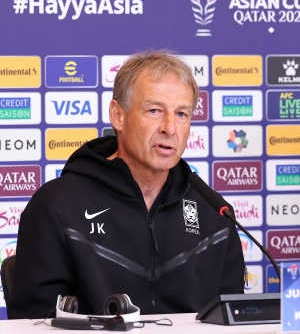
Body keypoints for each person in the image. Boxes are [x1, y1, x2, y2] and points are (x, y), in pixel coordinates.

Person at [8, 51, 245, 319]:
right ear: (118, 115)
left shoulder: (215, 212)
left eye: (181, 113)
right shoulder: (56, 207)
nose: (170, 127)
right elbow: (33, 324)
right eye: (154, 110)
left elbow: (233, 318)